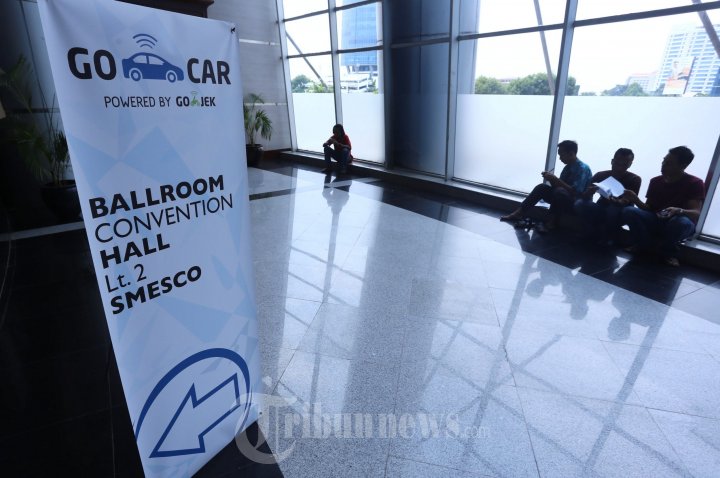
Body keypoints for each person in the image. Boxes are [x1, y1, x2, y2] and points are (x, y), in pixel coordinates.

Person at [620, 146, 705, 267]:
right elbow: (649, 208)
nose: (663, 165)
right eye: (664, 161)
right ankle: (642, 245)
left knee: (680, 222)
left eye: (669, 163)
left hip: (677, 222)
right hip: (656, 219)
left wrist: (678, 210)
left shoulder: (694, 183)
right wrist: (635, 200)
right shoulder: (656, 181)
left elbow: (696, 213)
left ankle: (669, 253)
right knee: (629, 211)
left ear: (683, 166)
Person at [500, 140, 592, 232]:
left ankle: (552, 222)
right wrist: (551, 179)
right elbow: (559, 187)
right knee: (542, 188)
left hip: (577, 202)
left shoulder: (582, 168)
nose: (560, 158)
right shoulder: (568, 167)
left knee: (559, 192)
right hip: (564, 197)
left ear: (571, 153)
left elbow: (575, 192)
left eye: (561, 155)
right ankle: (519, 213)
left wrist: (555, 179)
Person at [574, 148, 640, 245]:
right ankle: (590, 230)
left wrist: (617, 201)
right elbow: (584, 196)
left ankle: (608, 236)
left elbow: (628, 200)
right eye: (617, 163)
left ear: (630, 164)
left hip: (620, 212)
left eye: (624, 164)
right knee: (579, 204)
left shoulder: (634, 179)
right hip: (601, 207)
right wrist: (589, 192)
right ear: (612, 161)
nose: (620, 167)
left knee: (613, 209)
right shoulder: (601, 175)